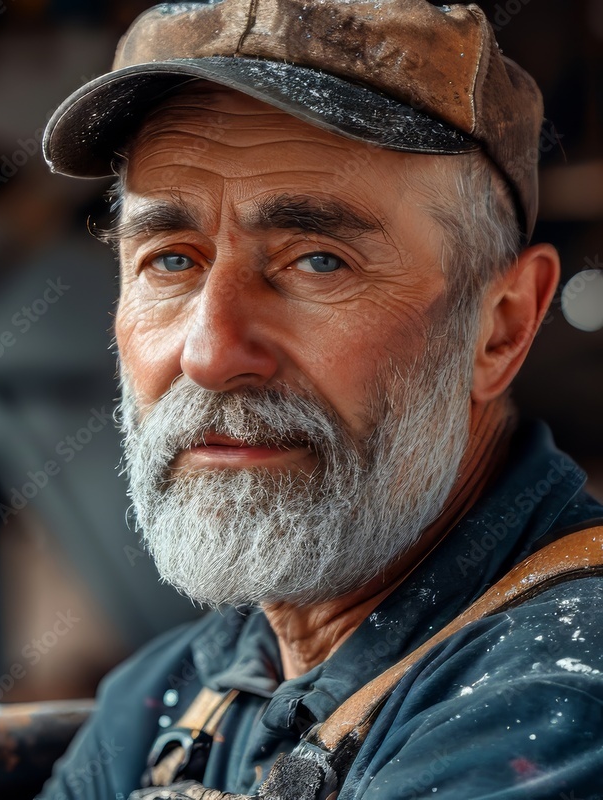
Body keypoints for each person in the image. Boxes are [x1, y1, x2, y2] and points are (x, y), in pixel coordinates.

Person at [36, 0, 603, 797]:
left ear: (502, 327)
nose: (209, 354)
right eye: (170, 261)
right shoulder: (164, 698)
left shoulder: (563, 698)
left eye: (318, 262)